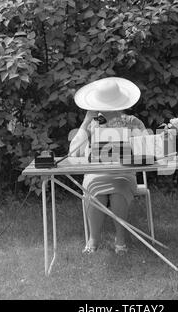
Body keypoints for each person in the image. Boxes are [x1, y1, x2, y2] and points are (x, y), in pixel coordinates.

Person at [68, 77, 149, 255]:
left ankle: (120, 239)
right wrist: (86, 121)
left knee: (119, 191)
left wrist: (132, 142)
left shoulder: (133, 122)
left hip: (124, 174)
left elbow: (146, 149)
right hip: (96, 174)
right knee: (95, 191)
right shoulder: (93, 123)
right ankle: (93, 238)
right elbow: (73, 153)